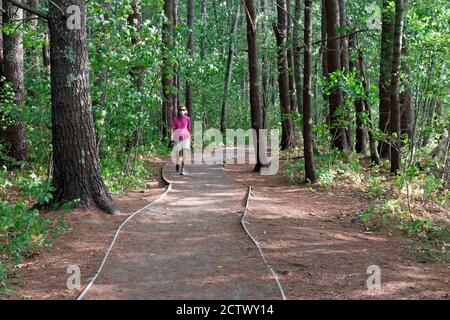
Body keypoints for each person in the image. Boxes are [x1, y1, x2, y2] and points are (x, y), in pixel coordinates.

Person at [171, 105, 191, 175]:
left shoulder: (187, 119)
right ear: (178, 111)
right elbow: (172, 128)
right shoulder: (175, 119)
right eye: (180, 110)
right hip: (177, 137)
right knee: (177, 152)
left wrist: (190, 137)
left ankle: (182, 168)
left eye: (183, 110)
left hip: (186, 137)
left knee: (185, 153)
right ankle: (177, 163)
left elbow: (189, 128)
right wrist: (172, 135)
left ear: (185, 111)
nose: (182, 111)